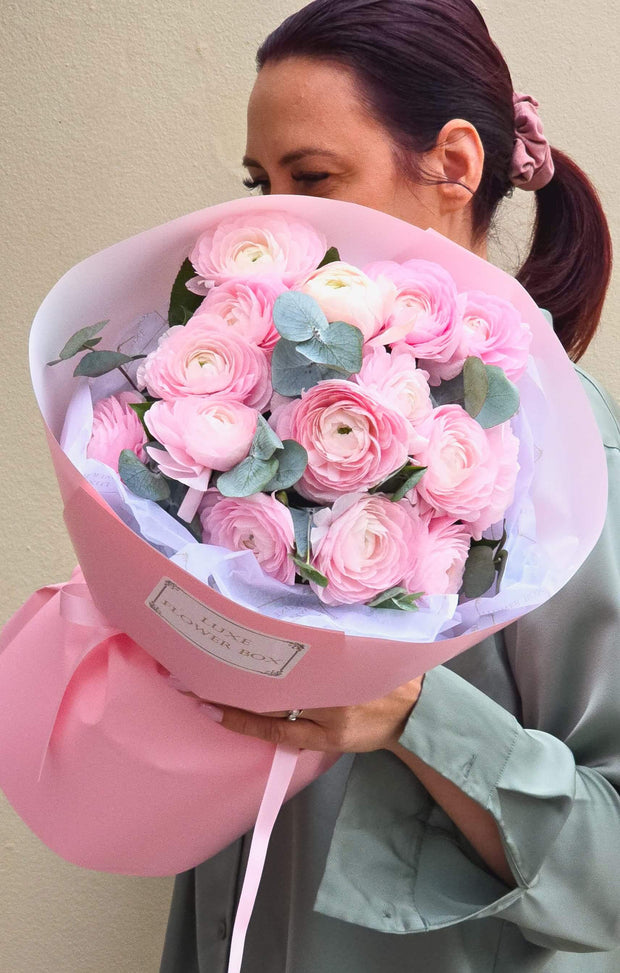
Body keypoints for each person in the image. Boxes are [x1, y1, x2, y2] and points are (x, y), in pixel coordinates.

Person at [160, 1, 620, 970]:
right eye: (260, 182)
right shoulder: (257, 420)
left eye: (313, 177)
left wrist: (413, 715)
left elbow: (609, 863)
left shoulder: (568, 457)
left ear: (452, 164)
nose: (273, 219)